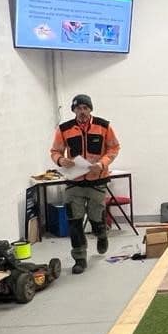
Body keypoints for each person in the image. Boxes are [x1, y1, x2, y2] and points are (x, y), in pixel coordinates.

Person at [50, 93, 120, 274]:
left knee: (97, 217)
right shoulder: (64, 129)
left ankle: (101, 233)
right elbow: (55, 151)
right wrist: (60, 161)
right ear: (73, 110)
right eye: (78, 108)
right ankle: (79, 258)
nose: (82, 112)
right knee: (74, 221)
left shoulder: (104, 126)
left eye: (85, 108)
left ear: (90, 109)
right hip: (74, 182)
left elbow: (114, 147)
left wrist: (102, 163)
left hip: (97, 181)